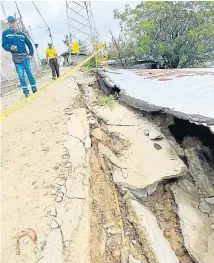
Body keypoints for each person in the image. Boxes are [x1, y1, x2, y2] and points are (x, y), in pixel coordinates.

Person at [2, 16, 37, 97]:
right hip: (16, 58)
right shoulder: (5, 33)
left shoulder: (22, 34)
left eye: (13, 22)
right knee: (21, 76)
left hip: (25, 57)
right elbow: (3, 45)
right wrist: (10, 48)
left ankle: (34, 89)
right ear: (8, 23)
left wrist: (31, 54)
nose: (12, 24)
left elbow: (30, 45)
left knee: (30, 74)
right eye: (10, 22)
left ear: (16, 23)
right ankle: (26, 92)